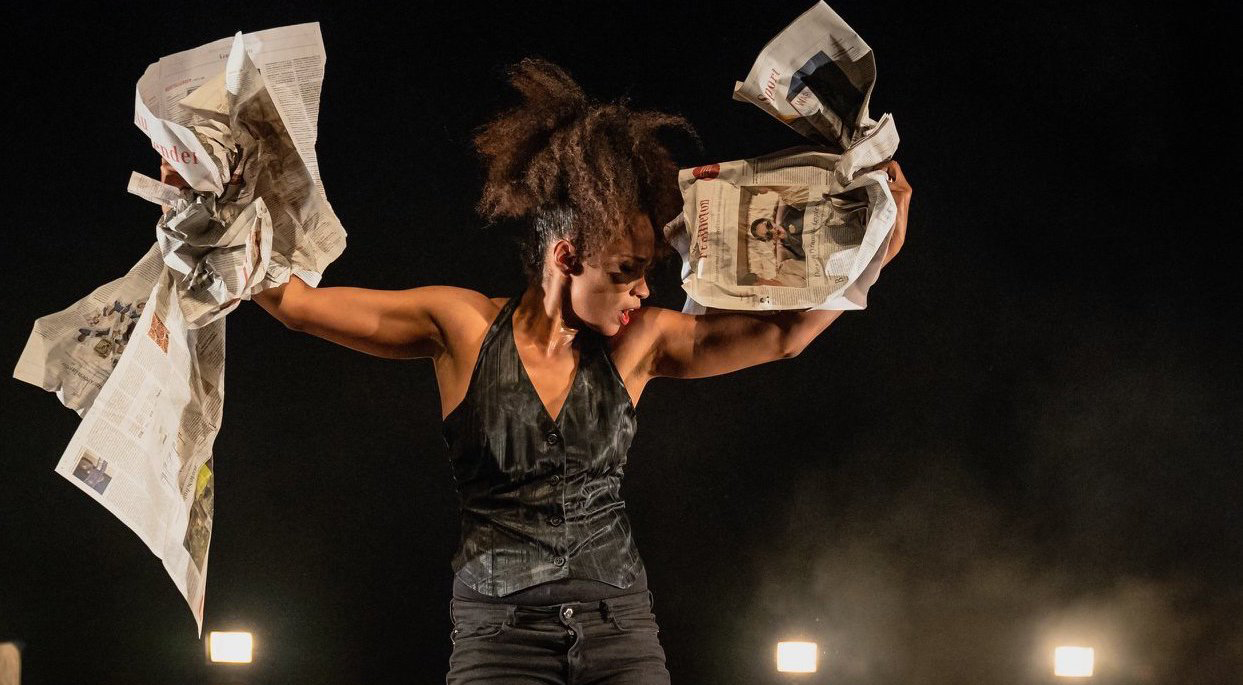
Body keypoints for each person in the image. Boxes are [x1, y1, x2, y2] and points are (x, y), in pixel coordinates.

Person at [161, 57, 912, 684]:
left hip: (621, 631)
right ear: (565, 257)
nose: (644, 289)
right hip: (499, 640)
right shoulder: (459, 327)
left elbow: (782, 337)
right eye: (627, 271)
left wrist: (873, 248)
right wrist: (204, 201)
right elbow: (297, 305)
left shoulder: (639, 343)